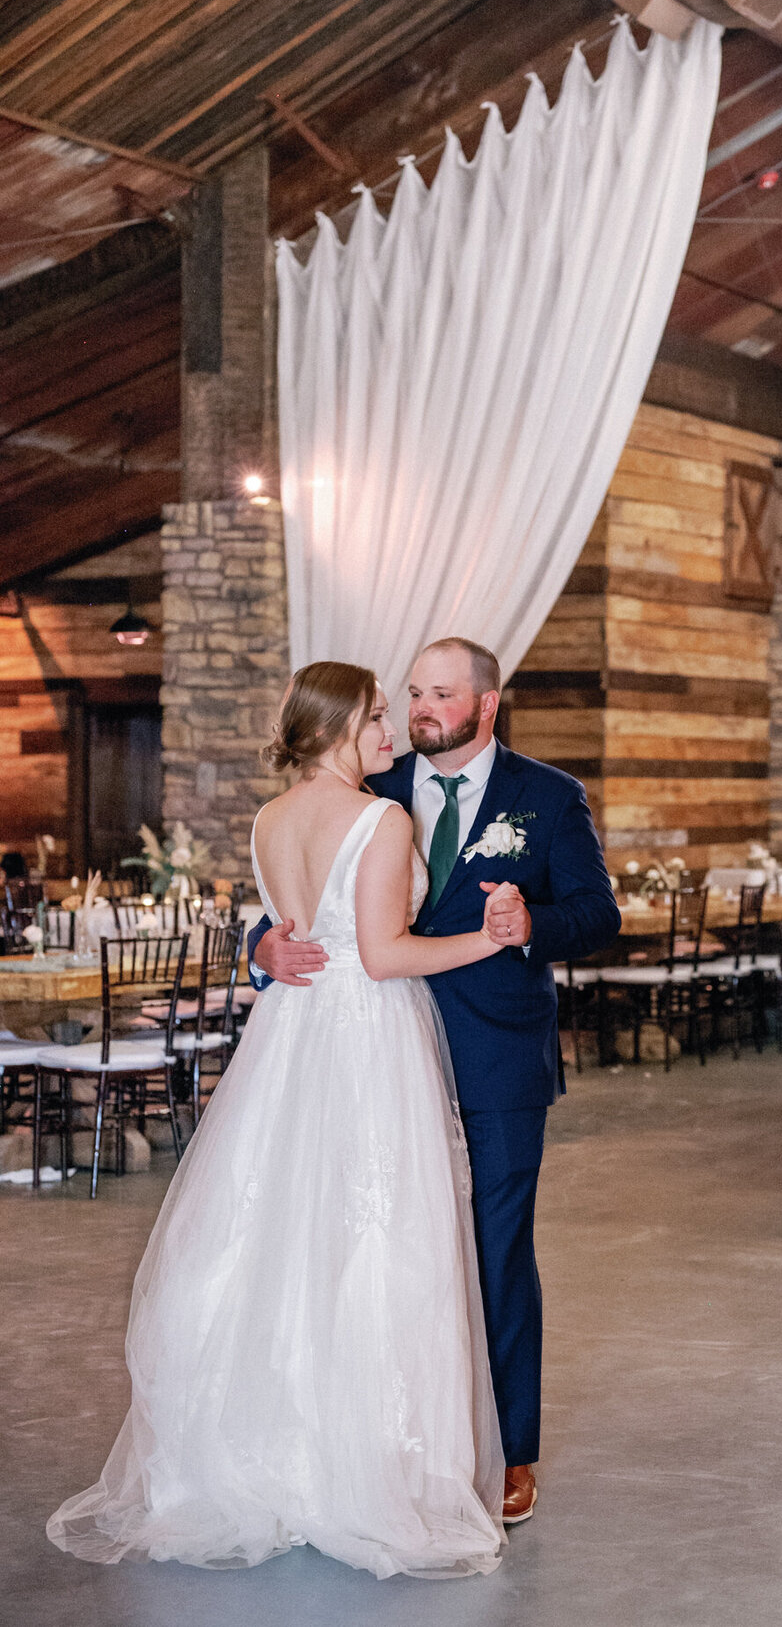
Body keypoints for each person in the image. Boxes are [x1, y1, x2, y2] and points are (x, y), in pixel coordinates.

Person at [48, 662, 516, 1579]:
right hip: (365, 1042)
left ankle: (258, 1453)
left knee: (272, 1236)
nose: (390, 728)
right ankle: (363, 1473)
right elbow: (384, 956)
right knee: (377, 1239)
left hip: (287, 1038)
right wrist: (490, 937)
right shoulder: (382, 820)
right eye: (378, 714)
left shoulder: (270, 820)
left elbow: (284, 927)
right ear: (342, 723)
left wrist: (269, 944)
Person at [249, 637, 622, 1525]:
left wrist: (532, 920)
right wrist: (259, 949)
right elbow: (291, 900)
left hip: (495, 1059)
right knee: (380, 1252)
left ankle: (507, 1454)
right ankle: (394, 1442)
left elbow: (598, 913)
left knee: (493, 1257)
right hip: (370, 1059)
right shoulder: (368, 785)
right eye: (411, 693)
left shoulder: (548, 797)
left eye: (440, 695)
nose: (419, 710)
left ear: (486, 706)